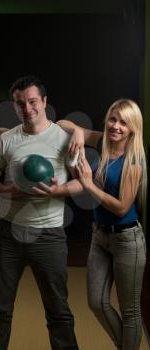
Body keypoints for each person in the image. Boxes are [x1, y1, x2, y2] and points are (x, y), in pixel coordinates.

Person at [0, 75, 86, 350]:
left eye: (32, 101)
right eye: (20, 103)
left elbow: (82, 182)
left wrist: (58, 191)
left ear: (44, 102)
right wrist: (8, 190)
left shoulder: (64, 138)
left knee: (58, 312)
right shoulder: (7, 140)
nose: (27, 109)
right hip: (7, 236)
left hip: (48, 235)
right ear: (14, 106)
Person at [74, 99, 147, 350]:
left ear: (133, 128)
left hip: (128, 241)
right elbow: (63, 125)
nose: (116, 126)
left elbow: (121, 207)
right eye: (113, 119)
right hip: (100, 237)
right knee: (96, 302)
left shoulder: (134, 161)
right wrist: (76, 131)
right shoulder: (103, 141)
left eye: (124, 122)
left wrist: (88, 185)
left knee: (130, 310)